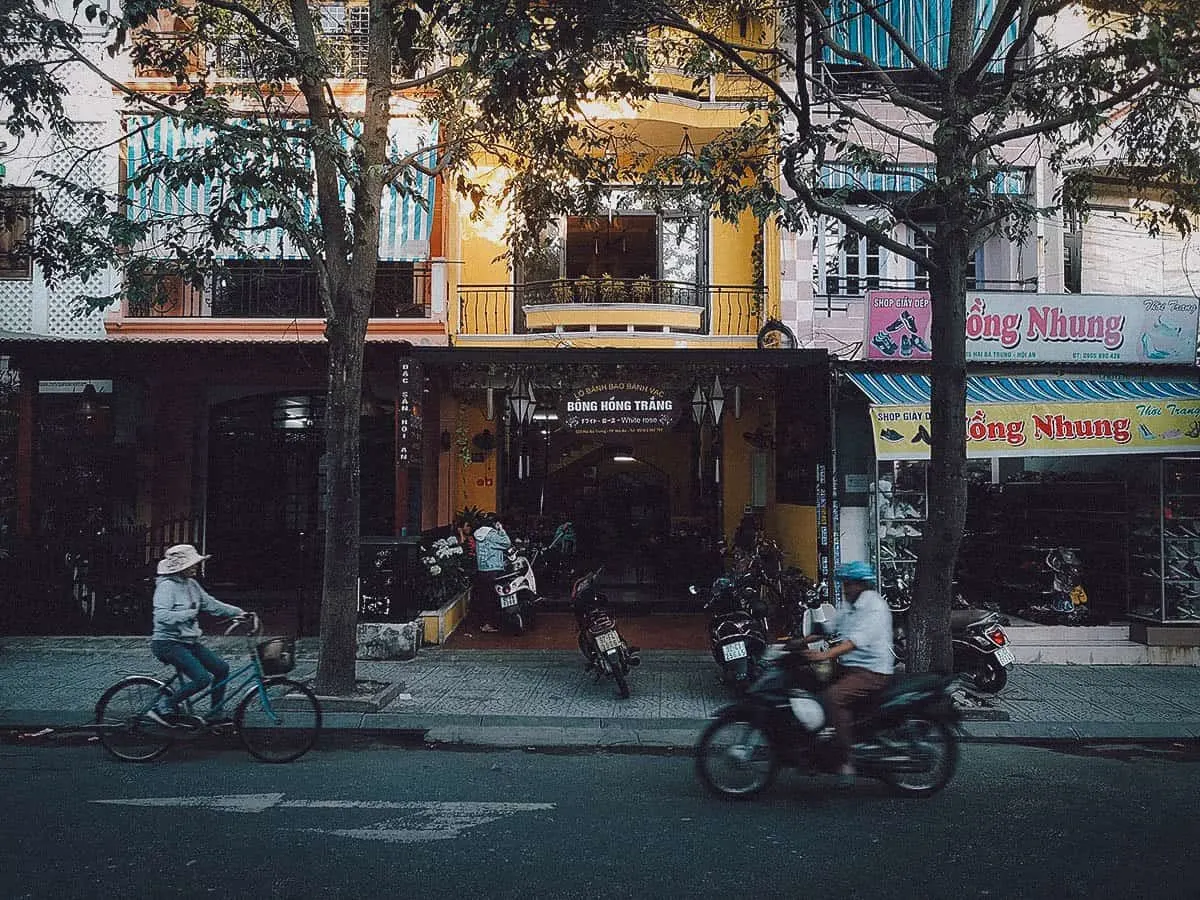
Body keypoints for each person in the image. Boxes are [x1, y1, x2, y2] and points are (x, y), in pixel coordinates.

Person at [799, 560, 893, 786]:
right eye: (844, 584)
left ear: (861, 585)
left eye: (848, 584)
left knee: (834, 697)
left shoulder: (874, 608)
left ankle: (845, 757)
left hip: (871, 671)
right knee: (809, 683)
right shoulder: (849, 604)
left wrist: (824, 655)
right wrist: (797, 643)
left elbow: (852, 642)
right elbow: (830, 629)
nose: (845, 589)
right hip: (850, 666)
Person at [144, 543, 248, 727]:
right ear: (180, 567)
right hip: (167, 643)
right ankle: (163, 706)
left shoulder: (192, 584)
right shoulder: (166, 587)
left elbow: (211, 604)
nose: (195, 566)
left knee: (221, 668)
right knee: (202, 679)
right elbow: (161, 616)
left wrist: (238, 612)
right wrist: (189, 614)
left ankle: (216, 714)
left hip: (188, 642)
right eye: (192, 564)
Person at [472, 513, 512, 634]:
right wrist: (501, 529)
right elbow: (506, 543)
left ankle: (485, 623)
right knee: (493, 598)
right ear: (494, 523)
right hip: (493, 569)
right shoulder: (492, 534)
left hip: (482, 569)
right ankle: (489, 624)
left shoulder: (479, 533)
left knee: (485, 597)